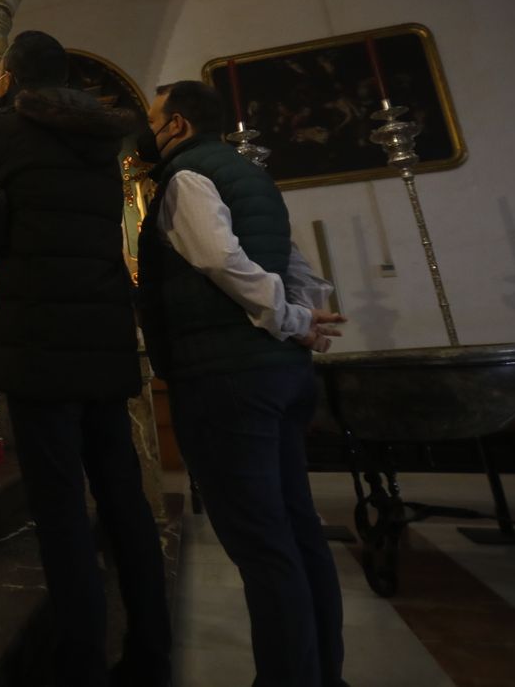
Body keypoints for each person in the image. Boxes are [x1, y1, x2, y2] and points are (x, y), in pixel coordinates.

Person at [0, 30, 171, 687]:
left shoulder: (1, 130)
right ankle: (151, 655)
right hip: (103, 336)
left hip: (42, 341)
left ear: (9, 79)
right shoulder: (102, 140)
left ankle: (80, 666)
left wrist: (4, 224)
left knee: (63, 512)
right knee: (124, 500)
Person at [135, 79, 347, 687]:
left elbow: (222, 261)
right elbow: (294, 263)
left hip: (228, 378)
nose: (148, 131)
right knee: (298, 532)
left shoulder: (185, 178)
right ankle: (323, 674)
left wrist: (291, 318)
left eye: (153, 119)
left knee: (262, 544)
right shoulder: (251, 175)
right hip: (278, 373)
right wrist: (301, 319)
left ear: (176, 124)